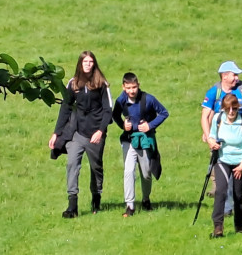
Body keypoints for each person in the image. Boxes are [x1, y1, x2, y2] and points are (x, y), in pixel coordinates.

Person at [48, 51, 112, 218]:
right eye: (85, 61)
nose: (88, 64)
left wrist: (100, 131)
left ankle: (96, 198)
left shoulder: (102, 84)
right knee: (72, 163)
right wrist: (56, 133)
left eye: (91, 61)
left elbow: (107, 111)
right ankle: (72, 206)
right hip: (77, 133)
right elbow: (65, 108)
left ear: (94, 64)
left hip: (95, 134)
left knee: (96, 168)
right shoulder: (73, 83)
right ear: (80, 64)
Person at [112, 72, 169, 217]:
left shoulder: (148, 99)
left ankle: (145, 199)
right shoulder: (121, 101)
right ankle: (130, 205)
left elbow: (164, 112)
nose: (131, 91)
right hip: (129, 140)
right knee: (129, 171)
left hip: (145, 141)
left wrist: (150, 126)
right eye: (128, 88)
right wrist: (123, 125)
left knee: (146, 173)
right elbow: (115, 115)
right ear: (123, 87)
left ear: (138, 85)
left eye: (134, 87)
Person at [200, 61, 242, 208]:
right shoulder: (214, 92)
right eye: (234, 75)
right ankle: (225, 206)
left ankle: (231, 206)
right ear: (224, 76)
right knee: (220, 170)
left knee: (236, 175)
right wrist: (209, 137)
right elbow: (204, 116)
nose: (237, 78)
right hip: (219, 136)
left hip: (241, 137)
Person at [208, 94, 242, 237]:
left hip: (241, 162)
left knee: (238, 194)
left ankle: (239, 224)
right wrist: (212, 142)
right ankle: (218, 227)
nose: (232, 112)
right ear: (224, 109)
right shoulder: (218, 118)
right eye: (228, 109)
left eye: (234, 108)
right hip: (222, 159)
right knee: (220, 191)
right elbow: (211, 136)